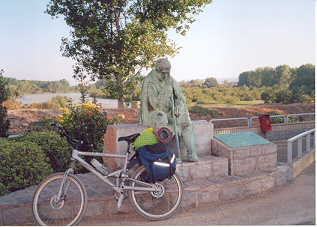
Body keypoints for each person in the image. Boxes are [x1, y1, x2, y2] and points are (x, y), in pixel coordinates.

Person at [138, 58, 199, 162]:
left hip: (170, 111)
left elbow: (180, 98)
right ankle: (166, 154)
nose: (166, 76)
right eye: (163, 73)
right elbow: (157, 105)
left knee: (185, 119)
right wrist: (167, 86)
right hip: (154, 113)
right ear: (157, 70)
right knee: (162, 118)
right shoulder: (150, 81)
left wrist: (179, 105)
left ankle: (191, 152)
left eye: (168, 73)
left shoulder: (170, 79)